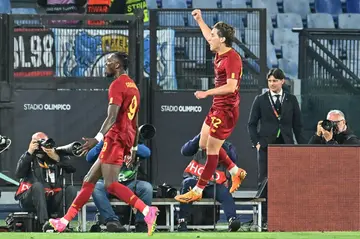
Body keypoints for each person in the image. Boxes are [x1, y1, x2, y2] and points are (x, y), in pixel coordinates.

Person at [48, 52, 159, 236]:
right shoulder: (133, 86)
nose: (105, 65)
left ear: (117, 66)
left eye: (108, 62)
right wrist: (132, 147)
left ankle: (147, 212)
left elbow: (112, 117)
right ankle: (64, 222)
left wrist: (97, 139)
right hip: (123, 139)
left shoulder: (117, 85)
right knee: (88, 181)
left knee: (111, 185)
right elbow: (135, 120)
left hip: (114, 139)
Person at [175, 9, 247, 204]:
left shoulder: (232, 59)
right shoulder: (219, 50)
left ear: (222, 40)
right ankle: (234, 170)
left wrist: (206, 93)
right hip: (217, 107)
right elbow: (208, 34)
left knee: (212, 151)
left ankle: (197, 190)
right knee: (203, 144)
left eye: (214, 36)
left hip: (226, 110)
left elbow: (232, 87)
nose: (209, 39)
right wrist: (200, 20)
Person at [247, 68, 306, 225]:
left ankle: (287, 215)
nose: (272, 84)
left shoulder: (291, 99)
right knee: (265, 181)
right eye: (270, 81)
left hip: (286, 145)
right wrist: (257, 143)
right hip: (266, 146)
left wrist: (304, 147)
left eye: (275, 81)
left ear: (282, 81)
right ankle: (264, 218)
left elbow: (298, 126)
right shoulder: (260, 100)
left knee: (288, 180)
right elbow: (251, 124)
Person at [177, 134, 241, 232]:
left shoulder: (226, 146)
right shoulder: (199, 144)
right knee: (188, 183)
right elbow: (184, 151)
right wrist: (201, 136)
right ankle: (182, 221)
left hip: (214, 185)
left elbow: (233, 157)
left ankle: (232, 220)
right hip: (196, 182)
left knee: (224, 193)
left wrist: (220, 142)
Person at [14, 132, 77, 229]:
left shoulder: (55, 155)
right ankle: (44, 224)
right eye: (39, 142)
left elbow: (72, 168)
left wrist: (56, 157)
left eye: (45, 141)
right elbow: (19, 174)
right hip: (30, 198)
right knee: (38, 186)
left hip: (51, 197)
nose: (43, 144)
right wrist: (29, 152)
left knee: (71, 190)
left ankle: (62, 224)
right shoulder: (29, 156)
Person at [87, 141, 153, 232]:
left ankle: (141, 223)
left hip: (128, 184)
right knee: (96, 186)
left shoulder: (132, 144)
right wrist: (105, 142)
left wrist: (126, 145)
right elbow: (89, 157)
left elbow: (147, 152)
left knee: (146, 187)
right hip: (107, 183)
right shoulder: (106, 144)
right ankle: (112, 221)